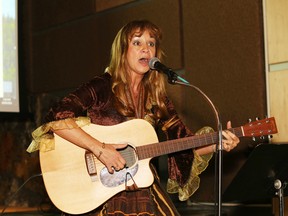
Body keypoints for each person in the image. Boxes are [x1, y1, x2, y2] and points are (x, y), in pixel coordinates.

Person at [28, 20, 239, 216]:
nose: (146, 48)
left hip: (143, 187)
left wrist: (217, 143)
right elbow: (56, 117)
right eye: (137, 42)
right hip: (104, 192)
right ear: (122, 51)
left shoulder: (158, 98)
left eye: (151, 43)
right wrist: (100, 149)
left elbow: (184, 145)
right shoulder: (102, 86)